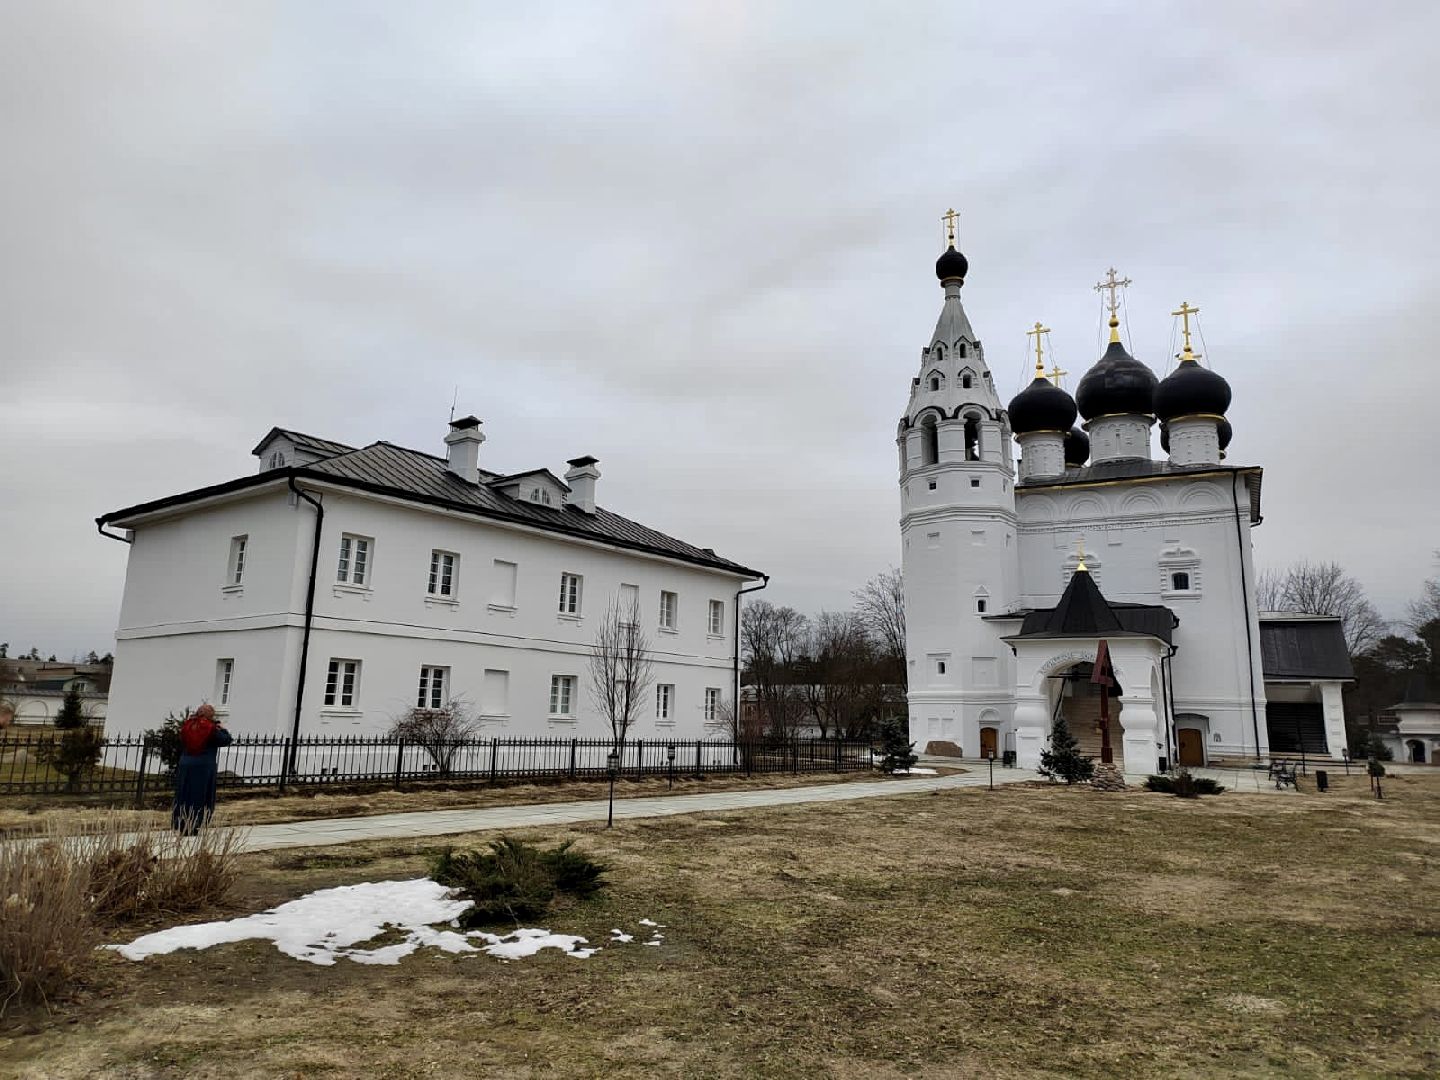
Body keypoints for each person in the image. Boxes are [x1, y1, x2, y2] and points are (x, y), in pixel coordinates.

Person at [171, 704, 233, 834]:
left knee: (183, 794)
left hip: (186, 764)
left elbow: (182, 739)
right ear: (210, 715)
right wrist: (223, 729)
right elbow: (226, 740)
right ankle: (193, 825)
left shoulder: (188, 725)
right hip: (203, 765)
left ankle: (179, 822)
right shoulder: (211, 728)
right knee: (199, 795)